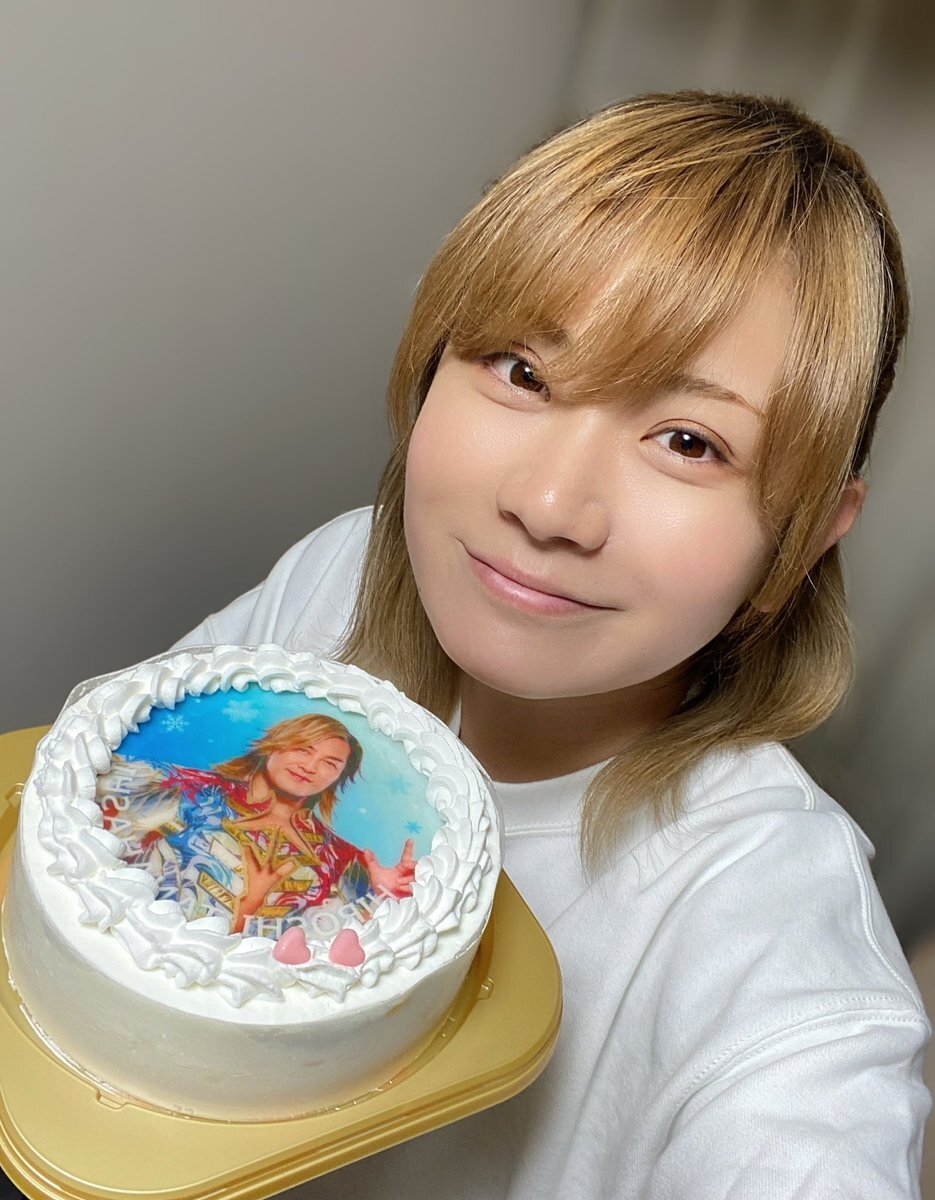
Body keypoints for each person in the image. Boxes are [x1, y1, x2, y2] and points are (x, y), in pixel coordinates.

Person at [174, 92, 930, 1198]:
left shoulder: (771, 942)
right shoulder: (340, 572)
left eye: (688, 441)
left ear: (808, 534)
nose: (547, 505)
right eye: (523, 373)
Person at [98, 712, 416, 935]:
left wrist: (379, 895)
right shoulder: (191, 792)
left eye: (330, 764)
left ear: (338, 778)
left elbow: (339, 942)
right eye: (303, 749)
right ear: (274, 744)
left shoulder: (341, 860)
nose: (310, 767)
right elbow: (91, 795)